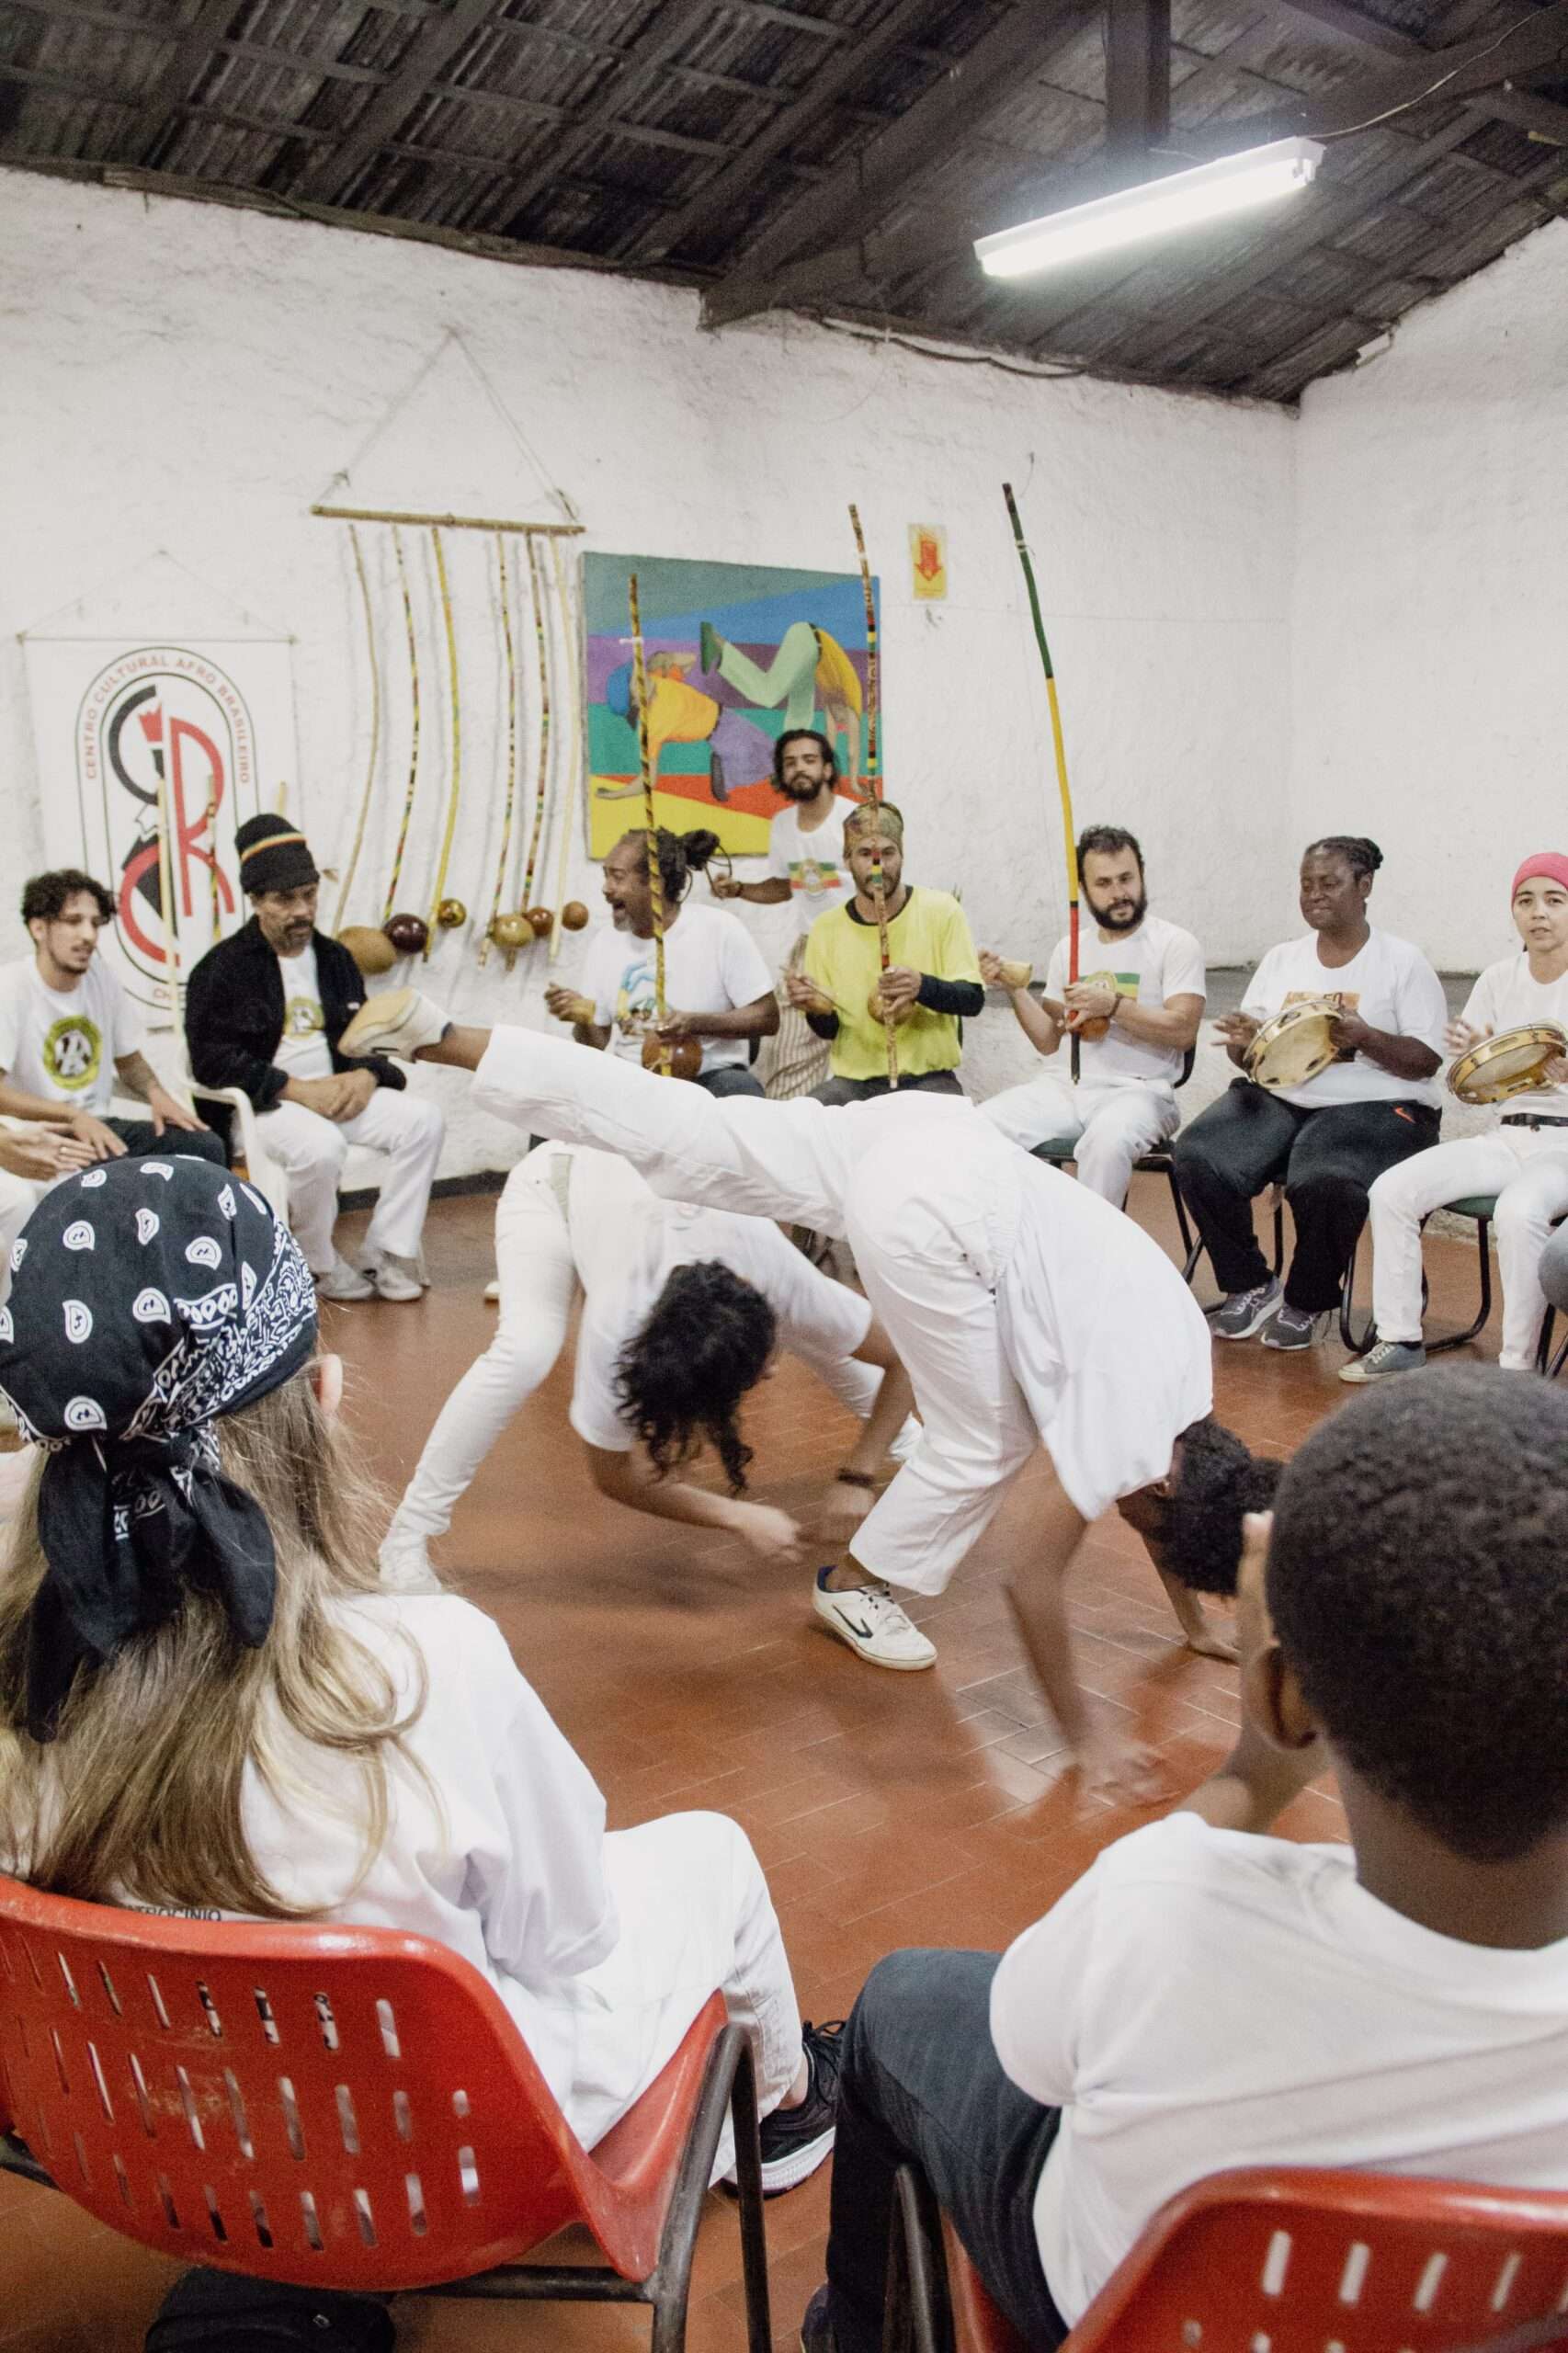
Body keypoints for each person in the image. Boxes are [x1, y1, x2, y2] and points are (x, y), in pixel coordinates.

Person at [0, 1156, 842, 2199]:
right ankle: (786, 2115)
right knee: (709, 1855)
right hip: (428, 2170)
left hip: (164, 2143)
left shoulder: (24, 1669)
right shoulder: (427, 1665)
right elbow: (566, 1935)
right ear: (323, 1393)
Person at [801, 1365, 1568, 2353]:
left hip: (1105, 2309)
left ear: (1286, 1699)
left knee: (899, 1998)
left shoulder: (1164, 1903)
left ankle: (848, 2333)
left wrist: (1252, 1770)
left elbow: (1028, 2054)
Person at [336, 995, 1273, 1788]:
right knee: (984, 1439)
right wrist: (1087, 1737)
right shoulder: (1134, 1438)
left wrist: (1190, 1624)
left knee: (690, 1129)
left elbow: (1165, 1507)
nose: (1133, 1511)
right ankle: (851, 1583)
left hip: (928, 1132)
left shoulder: (1183, 1378)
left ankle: (442, 1032)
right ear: (1156, 1489)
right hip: (927, 1215)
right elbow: (1033, 1575)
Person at [377, 1132, 914, 1600]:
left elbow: (903, 1360)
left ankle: (911, 1448)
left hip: (652, 1213)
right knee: (526, 1349)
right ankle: (406, 1536)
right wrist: (735, 1515)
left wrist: (858, 1474)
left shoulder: (778, 1275)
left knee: (822, 1329)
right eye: (756, 1379)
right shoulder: (619, 1326)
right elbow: (611, 1476)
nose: (771, 1378)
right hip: (555, 1189)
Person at [1173, 836, 1445, 1350]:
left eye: (1329, 883)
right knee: (1200, 1155)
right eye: (1306, 885)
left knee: (1325, 1178)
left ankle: (1308, 1300)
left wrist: (1366, 1037)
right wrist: (1243, 1042)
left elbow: (1425, 1061)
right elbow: (1252, 1057)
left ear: (1364, 886)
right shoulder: (1282, 959)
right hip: (1284, 1097)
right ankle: (1252, 1284)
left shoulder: (1402, 962)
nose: (1314, 894)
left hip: (1377, 1104)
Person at [184, 815, 444, 1303]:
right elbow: (209, 1062)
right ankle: (316, 1264)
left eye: (309, 895)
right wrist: (297, 1090)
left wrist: (368, 1075)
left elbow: (370, 1038)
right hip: (266, 1109)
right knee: (321, 1148)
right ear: (256, 900)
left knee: (424, 1121)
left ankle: (383, 1251)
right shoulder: (221, 969)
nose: (301, 911)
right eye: (285, 900)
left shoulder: (335, 958)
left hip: (339, 1096)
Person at [1346, 854, 1568, 1382]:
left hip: (1564, 1148)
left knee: (1518, 1213)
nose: (1538, 913)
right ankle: (1399, 1337)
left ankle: (1515, 1370)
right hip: (1506, 1137)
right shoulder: (1497, 977)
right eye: (1525, 901)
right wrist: (1477, 1055)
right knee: (1392, 1189)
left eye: (1554, 900)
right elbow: (1470, 1085)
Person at [980, 826, 1206, 1201]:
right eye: (1103, 883)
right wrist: (1013, 987)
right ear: (1084, 889)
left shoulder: (1175, 944)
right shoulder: (1069, 948)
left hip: (1140, 1093)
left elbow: (1182, 1031)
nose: (1118, 893)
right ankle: (1016, 1244)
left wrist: (1114, 1006)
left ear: (1142, 875)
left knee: (1105, 1145)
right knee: (980, 1126)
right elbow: (1049, 1039)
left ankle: (1091, 1254)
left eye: (1126, 879)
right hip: (1066, 1088)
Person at [0, 869, 224, 1215]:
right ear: (38, 927)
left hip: (97, 1125)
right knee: (115, 1183)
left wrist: (156, 1094)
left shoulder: (100, 977)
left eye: (95, 923)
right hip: (43, 1133)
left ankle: (195, 1260)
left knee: (203, 1147)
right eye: (73, 921)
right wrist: (72, 1116)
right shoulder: (12, 987)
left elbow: (129, 1060)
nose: (88, 935)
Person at [546, 826, 778, 1100]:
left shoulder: (719, 929)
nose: (606, 888)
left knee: (740, 1091)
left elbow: (767, 1017)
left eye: (617, 877)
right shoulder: (604, 943)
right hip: (631, 1078)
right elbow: (596, 1042)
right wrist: (582, 1018)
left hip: (708, 1076)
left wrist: (696, 1023)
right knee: (554, 1102)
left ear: (657, 882)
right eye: (606, 876)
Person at [789, 802, 983, 1105]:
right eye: (865, 854)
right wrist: (818, 1009)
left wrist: (922, 986)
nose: (877, 865)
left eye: (888, 853)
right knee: (804, 1120)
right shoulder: (826, 928)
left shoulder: (942, 910)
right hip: (854, 1084)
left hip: (929, 1080)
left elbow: (972, 999)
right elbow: (829, 1032)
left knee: (946, 1139)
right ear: (847, 860)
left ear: (901, 855)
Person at [711, 729, 855, 1099]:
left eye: (809, 760)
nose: (799, 769)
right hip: (810, 948)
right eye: (790, 763)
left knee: (859, 1048)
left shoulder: (855, 818)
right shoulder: (782, 825)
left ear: (826, 768)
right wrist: (740, 889)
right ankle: (788, 1130)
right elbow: (785, 885)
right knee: (788, 1049)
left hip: (860, 944)